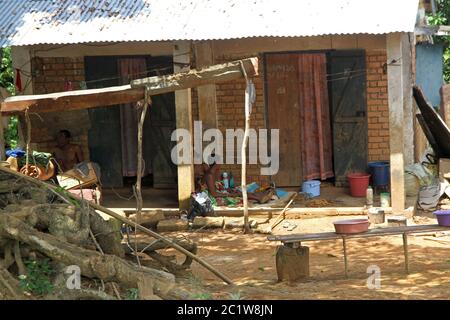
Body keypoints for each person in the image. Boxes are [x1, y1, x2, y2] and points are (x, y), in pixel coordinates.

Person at [194, 152, 274, 204]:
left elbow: (216, 187)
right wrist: (230, 194)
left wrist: (228, 191)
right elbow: (214, 194)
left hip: (216, 193)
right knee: (237, 195)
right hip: (213, 199)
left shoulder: (212, 173)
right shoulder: (209, 175)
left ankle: (259, 196)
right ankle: (258, 198)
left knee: (237, 191)